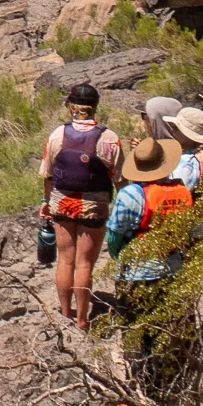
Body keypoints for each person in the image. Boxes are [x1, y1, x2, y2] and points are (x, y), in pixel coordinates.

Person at [38, 83, 123, 328]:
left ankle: (65, 312)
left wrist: (46, 202)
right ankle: (83, 319)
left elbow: (47, 175)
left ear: (70, 106)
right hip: (94, 206)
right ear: (95, 106)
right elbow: (118, 178)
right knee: (84, 263)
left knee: (65, 260)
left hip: (62, 202)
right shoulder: (109, 138)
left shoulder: (57, 135)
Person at [106, 134, 198, 300]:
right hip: (173, 267)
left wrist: (119, 256)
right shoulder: (182, 191)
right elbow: (194, 230)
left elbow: (114, 236)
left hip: (137, 271)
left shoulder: (130, 194)